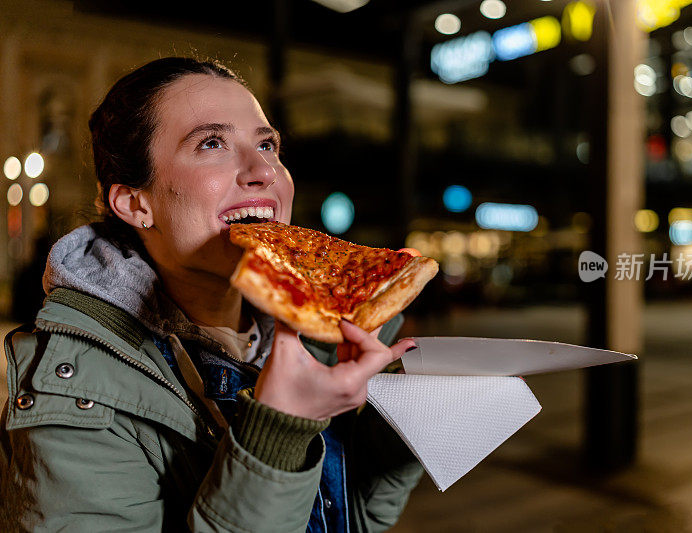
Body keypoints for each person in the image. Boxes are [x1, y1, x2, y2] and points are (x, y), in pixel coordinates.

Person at [0, 57, 423, 532]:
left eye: (267, 144)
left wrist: (406, 430)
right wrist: (277, 432)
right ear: (136, 203)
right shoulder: (72, 392)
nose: (263, 169)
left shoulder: (320, 334)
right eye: (211, 143)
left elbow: (350, 518)